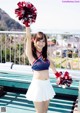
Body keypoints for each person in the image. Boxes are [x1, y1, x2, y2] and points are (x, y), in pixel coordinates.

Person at [25, 27, 61, 113]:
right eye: (39, 40)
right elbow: (28, 37)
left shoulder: (45, 55)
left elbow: (51, 65)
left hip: (47, 84)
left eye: (43, 41)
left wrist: (58, 76)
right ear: (34, 41)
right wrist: (27, 24)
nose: (41, 43)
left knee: (45, 111)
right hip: (38, 86)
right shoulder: (31, 55)